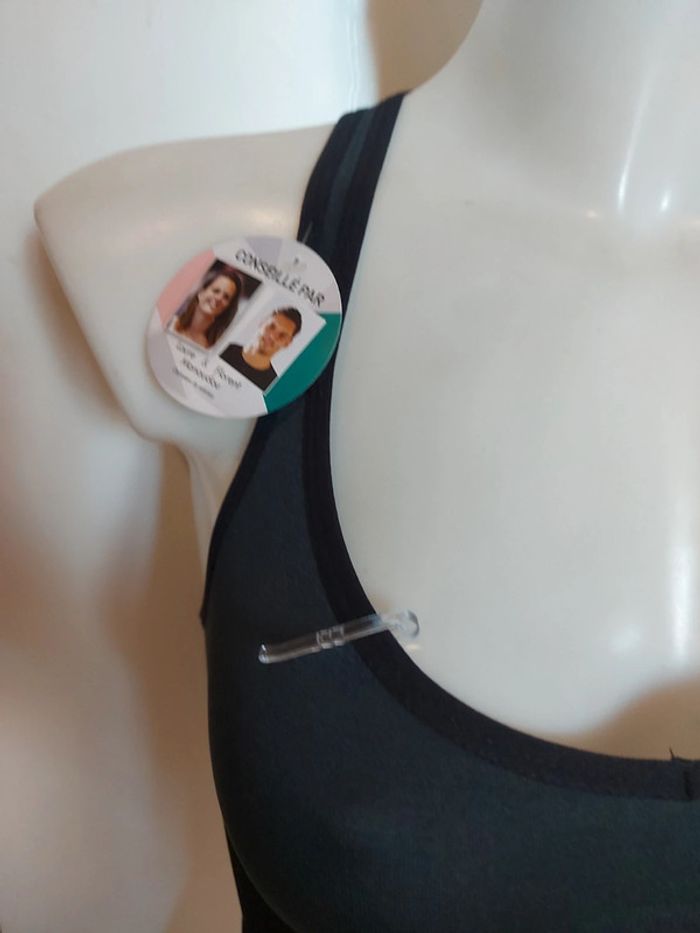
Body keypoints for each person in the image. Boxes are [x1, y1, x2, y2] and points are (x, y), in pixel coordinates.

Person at [219, 306, 302, 391]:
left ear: (287, 343)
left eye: (282, 335)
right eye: (272, 326)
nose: (272, 336)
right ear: (262, 322)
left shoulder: (271, 388)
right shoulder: (221, 349)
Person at [172, 267, 242, 349]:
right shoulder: (170, 323)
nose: (219, 298)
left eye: (226, 297)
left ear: (227, 307)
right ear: (201, 293)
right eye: (216, 291)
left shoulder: (214, 348)